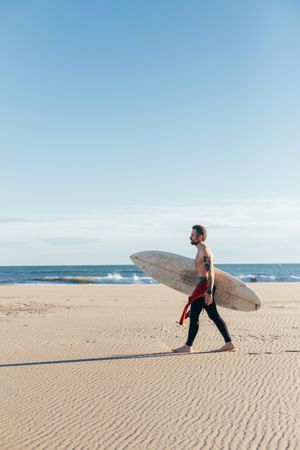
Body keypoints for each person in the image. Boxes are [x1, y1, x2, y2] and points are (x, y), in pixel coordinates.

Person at [172, 224, 235, 353]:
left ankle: (188, 346)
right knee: (214, 316)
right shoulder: (200, 250)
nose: (190, 236)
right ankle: (229, 343)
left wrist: (209, 292)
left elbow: (210, 272)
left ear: (200, 237)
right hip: (202, 286)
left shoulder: (204, 251)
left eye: (193, 235)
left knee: (195, 316)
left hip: (205, 287)